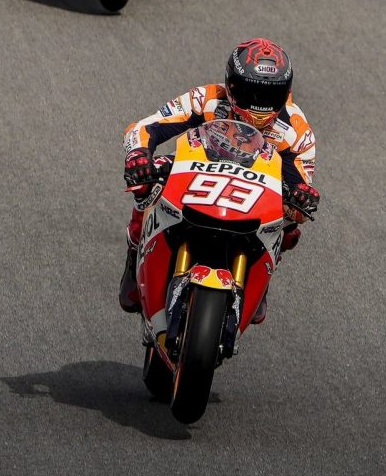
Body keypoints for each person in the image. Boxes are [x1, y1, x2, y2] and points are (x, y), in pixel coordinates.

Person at [119, 38, 320, 322]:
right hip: (198, 169)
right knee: (145, 180)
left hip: (255, 189)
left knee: (291, 222)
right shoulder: (208, 98)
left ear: (286, 93)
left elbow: (301, 186)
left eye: (270, 95)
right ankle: (134, 252)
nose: (259, 104)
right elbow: (144, 127)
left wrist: (302, 197)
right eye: (251, 92)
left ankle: (262, 279)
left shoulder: (297, 131)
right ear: (232, 85)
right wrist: (139, 155)